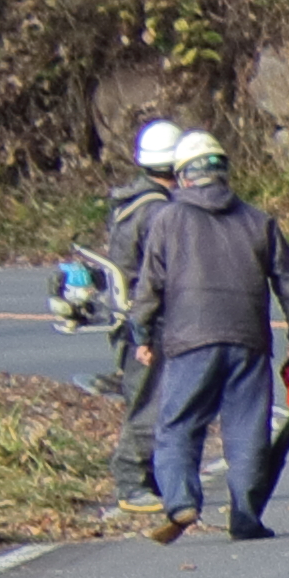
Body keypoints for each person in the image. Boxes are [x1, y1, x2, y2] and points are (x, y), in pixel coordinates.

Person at [121, 131, 289, 545]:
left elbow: (150, 285)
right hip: (249, 342)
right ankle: (245, 518)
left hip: (189, 342)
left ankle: (180, 502)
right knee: (248, 430)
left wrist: (142, 332)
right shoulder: (258, 221)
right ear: (224, 172)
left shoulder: (167, 220)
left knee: (177, 426)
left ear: (183, 177)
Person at [90, 120, 184, 517]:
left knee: (148, 397)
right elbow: (166, 270)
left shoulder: (131, 203)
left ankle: (152, 478)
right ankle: (131, 480)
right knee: (152, 400)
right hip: (150, 319)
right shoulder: (159, 212)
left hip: (131, 316)